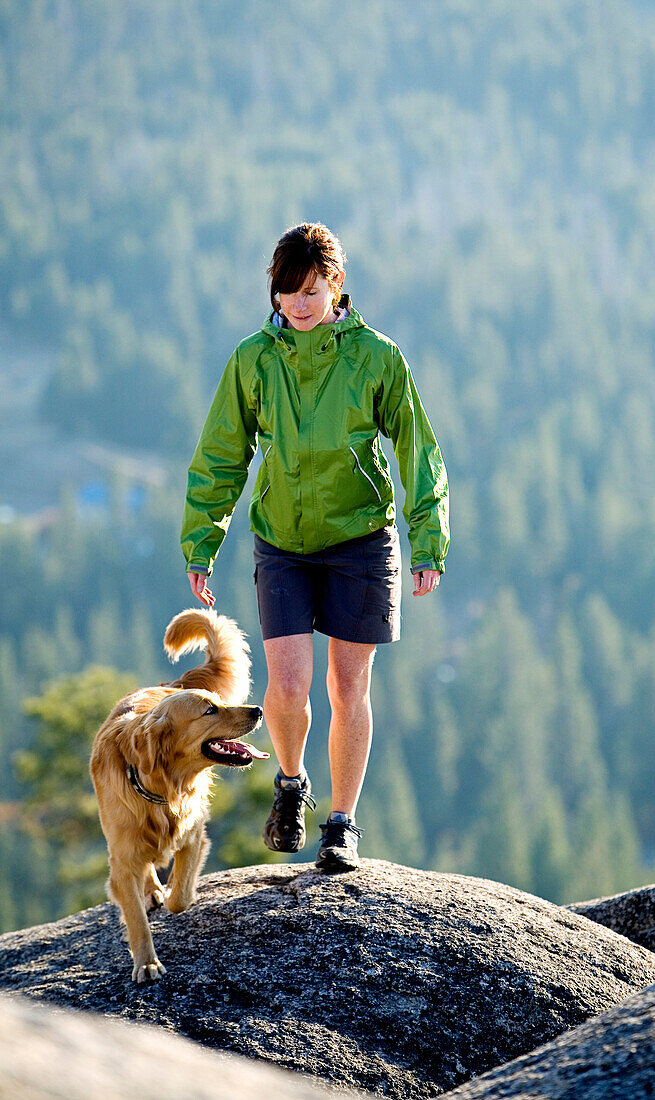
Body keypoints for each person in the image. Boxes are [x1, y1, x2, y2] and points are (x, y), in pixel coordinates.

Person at [181, 223, 449, 873]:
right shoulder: (254, 359)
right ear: (273, 293)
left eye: (311, 289)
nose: (298, 304)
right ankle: (292, 784)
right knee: (290, 683)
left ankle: (341, 824)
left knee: (347, 684)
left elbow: (416, 448)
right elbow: (222, 454)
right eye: (286, 291)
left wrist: (427, 540)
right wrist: (200, 541)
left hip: (361, 540)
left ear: (336, 285)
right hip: (283, 540)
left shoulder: (375, 356)